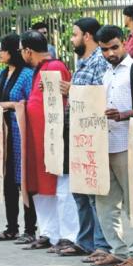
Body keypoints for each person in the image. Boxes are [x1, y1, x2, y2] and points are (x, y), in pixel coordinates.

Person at [89, 25, 133, 266]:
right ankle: (118, 250)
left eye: (114, 47)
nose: (109, 54)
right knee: (105, 202)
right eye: (104, 49)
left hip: (129, 143)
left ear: (125, 42)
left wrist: (124, 115)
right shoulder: (106, 73)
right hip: (105, 144)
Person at [19, 30, 79, 251]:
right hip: (37, 138)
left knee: (60, 188)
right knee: (40, 186)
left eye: (21, 51)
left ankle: (67, 235)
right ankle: (48, 232)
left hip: (53, 139)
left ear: (28, 50)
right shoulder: (38, 69)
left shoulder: (54, 67)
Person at [60, 17, 113, 259]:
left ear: (87, 36)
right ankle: (85, 240)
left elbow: (99, 96)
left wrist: (72, 90)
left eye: (74, 34)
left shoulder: (100, 62)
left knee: (94, 192)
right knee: (79, 190)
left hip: (93, 135)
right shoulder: (82, 63)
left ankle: (101, 244)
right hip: (78, 133)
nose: (72, 39)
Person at [0, 34, 36, 244]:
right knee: (7, 181)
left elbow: (29, 102)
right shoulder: (2, 73)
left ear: (12, 51)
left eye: (2, 49)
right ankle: (11, 227)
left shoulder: (26, 75)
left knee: (22, 180)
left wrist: (8, 105)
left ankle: (30, 229)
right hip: (3, 133)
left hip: (20, 133)